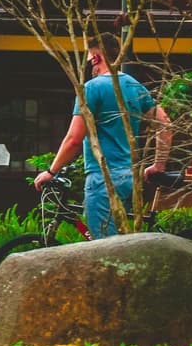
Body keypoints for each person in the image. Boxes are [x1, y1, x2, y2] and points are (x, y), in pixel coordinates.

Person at [34, 35, 173, 238]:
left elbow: (74, 139)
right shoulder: (134, 86)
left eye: (90, 58)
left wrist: (51, 171)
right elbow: (165, 124)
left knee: (104, 251)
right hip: (129, 178)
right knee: (121, 244)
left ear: (96, 57)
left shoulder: (92, 88)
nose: (90, 63)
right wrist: (159, 165)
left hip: (103, 178)